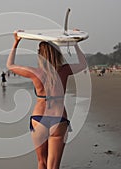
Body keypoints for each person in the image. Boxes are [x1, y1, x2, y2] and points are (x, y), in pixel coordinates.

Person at [7, 31, 87, 169]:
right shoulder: (64, 70)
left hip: (39, 120)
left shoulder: (34, 72)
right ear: (57, 53)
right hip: (59, 119)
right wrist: (74, 44)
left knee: (41, 163)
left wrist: (16, 42)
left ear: (40, 55)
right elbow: (83, 64)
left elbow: (10, 65)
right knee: (53, 167)